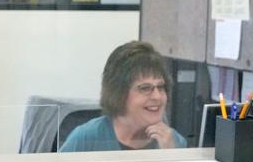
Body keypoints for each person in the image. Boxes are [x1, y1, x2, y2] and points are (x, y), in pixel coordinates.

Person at [59, 41, 187, 152]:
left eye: (160, 87)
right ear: (119, 93)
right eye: (145, 88)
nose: (157, 96)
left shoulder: (173, 142)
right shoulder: (86, 139)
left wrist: (172, 156)